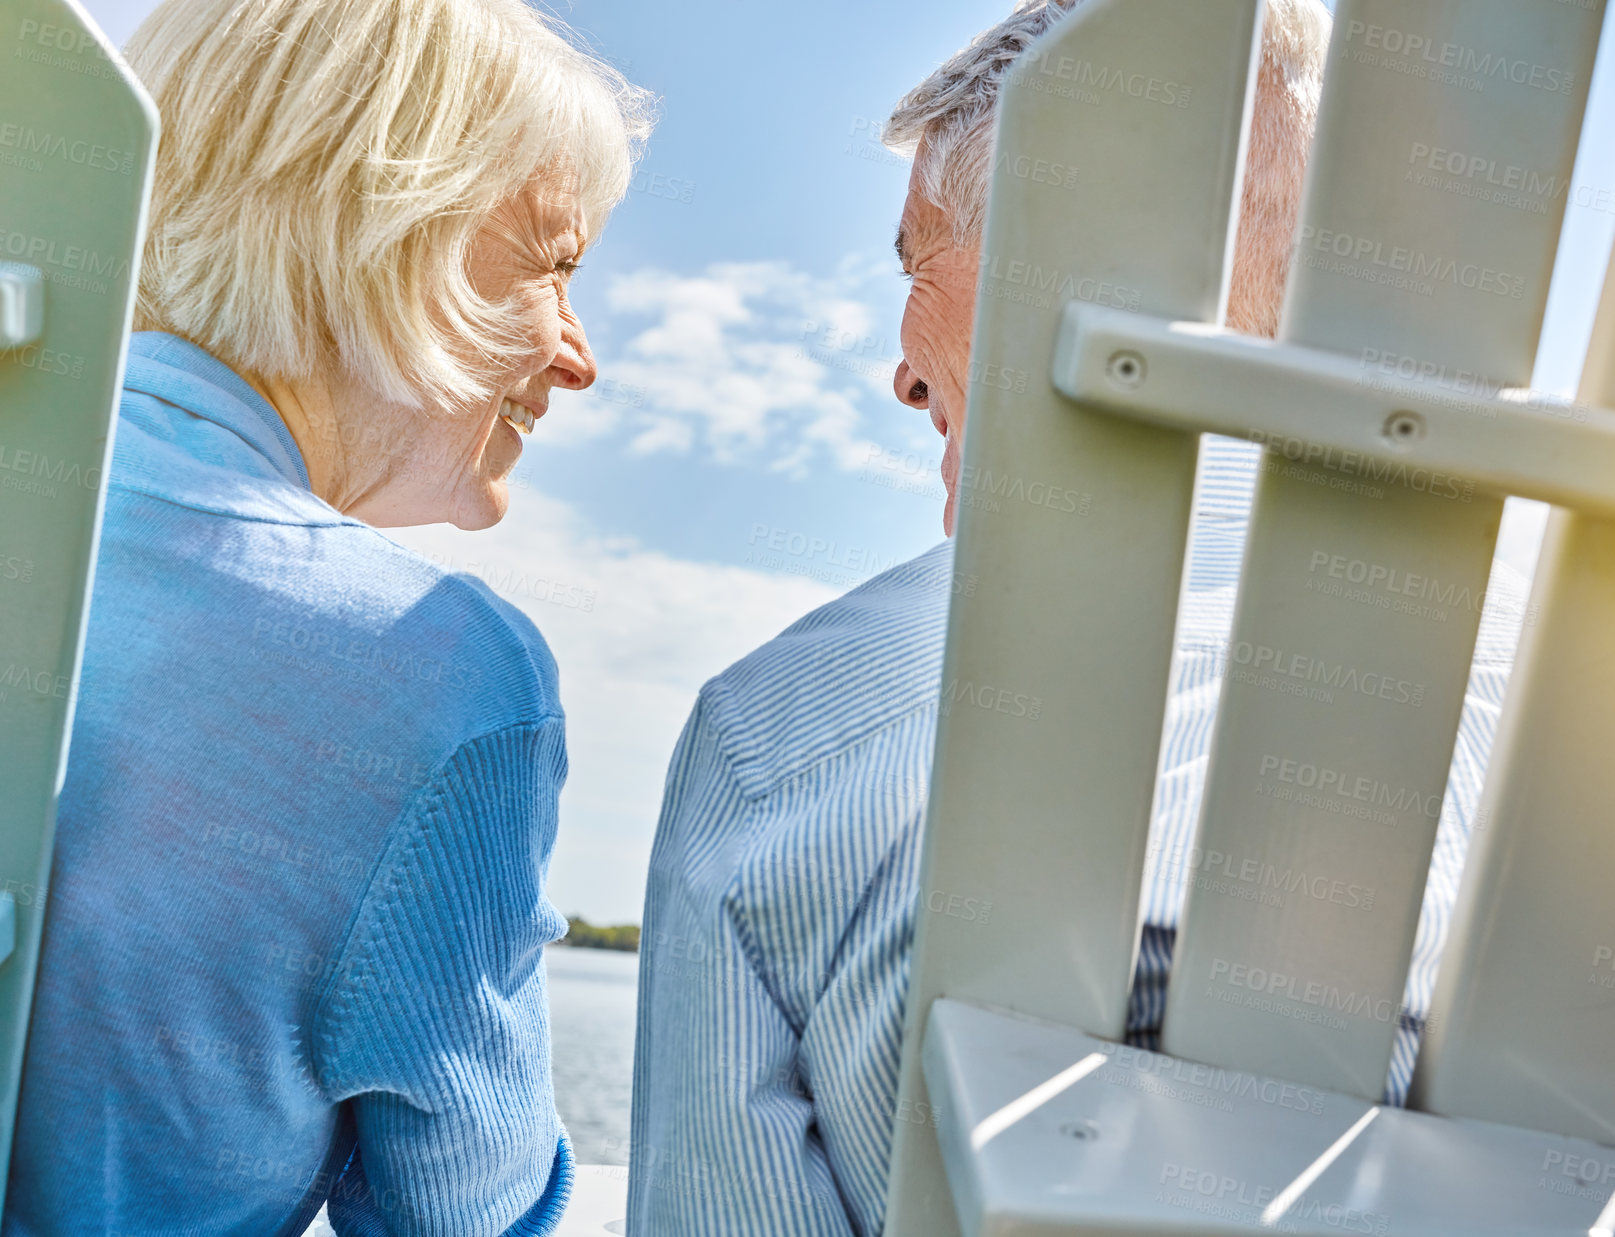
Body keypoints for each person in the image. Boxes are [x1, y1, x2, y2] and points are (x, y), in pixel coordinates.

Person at [627, 1, 1529, 1233]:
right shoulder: (1558, 683)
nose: (899, 367)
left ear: (1069, 250)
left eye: (914, 259)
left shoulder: (780, 740)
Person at [4, 1, 651, 1233]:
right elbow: (464, 1215)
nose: (577, 356)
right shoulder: (438, 673)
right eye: (557, 263)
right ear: (386, 222)